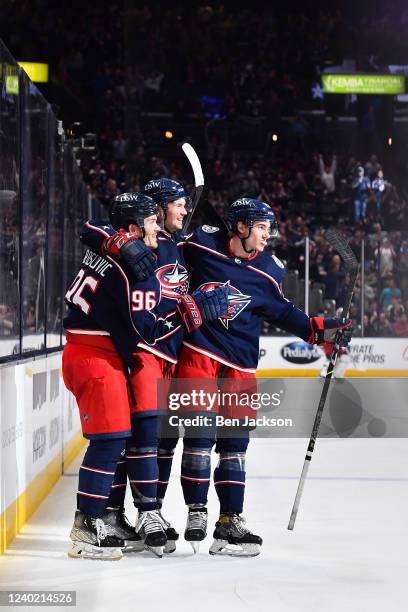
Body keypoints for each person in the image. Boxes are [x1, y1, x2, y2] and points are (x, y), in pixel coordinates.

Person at [166, 198, 352, 557]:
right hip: (198, 356)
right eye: (263, 227)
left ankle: (229, 522)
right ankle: (197, 511)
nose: (269, 235)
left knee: (235, 448)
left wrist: (322, 331)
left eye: (269, 228)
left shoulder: (269, 271)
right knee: (199, 439)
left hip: (240, 366)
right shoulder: (199, 245)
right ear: (241, 226)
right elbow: (167, 257)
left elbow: (282, 311)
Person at [63, 192, 228, 560]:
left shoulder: (113, 250)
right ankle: (86, 527)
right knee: (109, 442)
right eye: (151, 222)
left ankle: (104, 517)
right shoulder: (134, 269)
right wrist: (192, 312)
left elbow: (93, 230)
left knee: (117, 439)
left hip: (91, 353)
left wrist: (116, 239)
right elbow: (147, 332)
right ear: (135, 227)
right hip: (97, 357)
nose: (157, 226)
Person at [80, 179, 193, 555]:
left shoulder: (177, 246)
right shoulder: (135, 251)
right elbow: (92, 228)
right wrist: (185, 318)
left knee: (156, 439)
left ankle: (133, 512)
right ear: (155, 212)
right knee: (135, 435)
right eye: (177, 205)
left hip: (165, 354)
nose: (181, 212)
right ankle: (140, 512)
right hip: (142, 350)